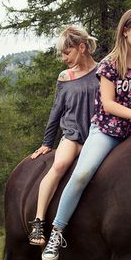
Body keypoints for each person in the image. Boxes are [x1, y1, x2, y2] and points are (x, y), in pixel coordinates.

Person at [42, 8, 131, 260]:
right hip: (107, 131)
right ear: (125, 31)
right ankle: (57, 230)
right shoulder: (110, 64)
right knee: (81, 175)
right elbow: (108, 104)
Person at [27, 26, 99, 246]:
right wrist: (47, 143)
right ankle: (38, 222)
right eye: (62, 53)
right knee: (58, 167)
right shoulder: (65, 77)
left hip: (96, 135)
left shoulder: (102, 71)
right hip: (72, 135)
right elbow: (56, 110)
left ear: (82, 47)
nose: (63, 58)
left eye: (67, 52)